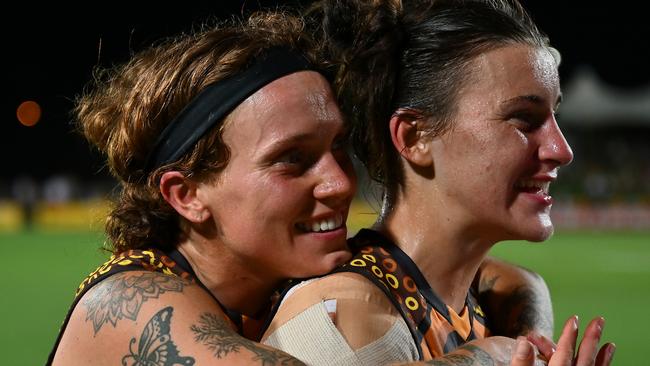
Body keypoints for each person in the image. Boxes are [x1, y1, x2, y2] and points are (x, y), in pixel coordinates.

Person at [46, 9, 560, 366]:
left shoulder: (271, 280)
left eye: (338, 147)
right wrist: (491, 354)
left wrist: (530, 328)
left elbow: (504, 277)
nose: (339, 183)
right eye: (291, 161)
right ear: (187, 195)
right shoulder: (134, 303)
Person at [261, 0, 615, 365]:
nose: (562, 150)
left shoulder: (489, 306)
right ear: (415, 138)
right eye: (523, 119)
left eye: (554, 116)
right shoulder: (346, 321)